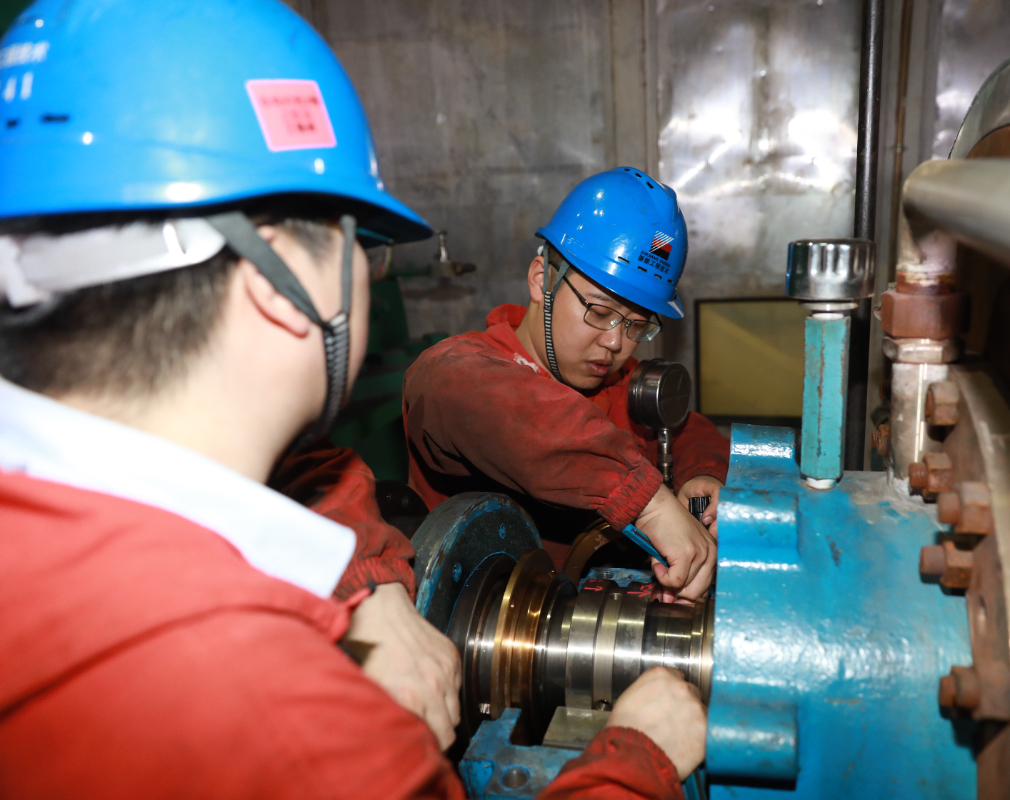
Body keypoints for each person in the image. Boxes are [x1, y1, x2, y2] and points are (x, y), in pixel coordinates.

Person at [0, 0, 706, 797]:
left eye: (634, 325)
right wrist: (635, 760)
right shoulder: (306, 726)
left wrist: (365, 578)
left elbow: (303, 472)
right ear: (284, 282)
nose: (616, 341)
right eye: (364, 257)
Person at [404, 169, 729, 601]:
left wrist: (703, 474)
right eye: (599, 311)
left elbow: (688, 431)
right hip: (475, 624)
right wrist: (648, 502)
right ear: (542, 280)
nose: (615, 343)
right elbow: (497, 404)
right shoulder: (458, 372)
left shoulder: (618, 383)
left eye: (636, 326)